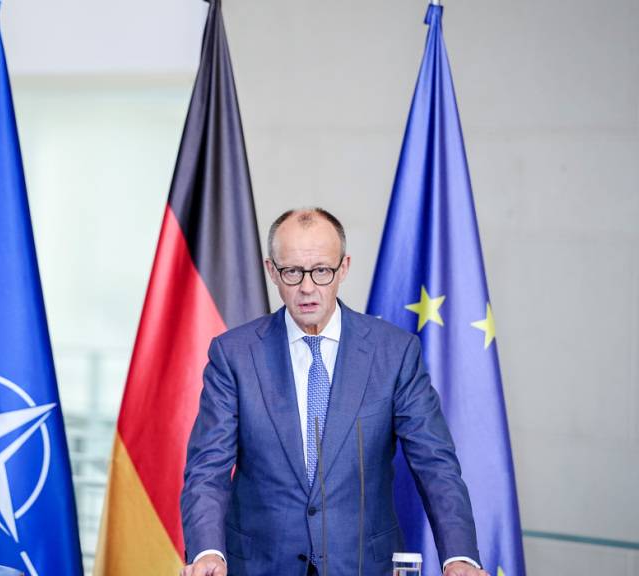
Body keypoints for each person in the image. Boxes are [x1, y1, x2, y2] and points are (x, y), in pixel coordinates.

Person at [180, 208, 488, 576]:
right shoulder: (234, 354)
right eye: (293, 272)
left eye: (322, 271)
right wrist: (207, 552)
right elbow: (207, 468)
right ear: (271, 271)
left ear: (343, 268)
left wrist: (460, 556)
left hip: (362, 565)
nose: (307, 287)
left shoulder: (394, 353)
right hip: (260, 564)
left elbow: (435, 463)